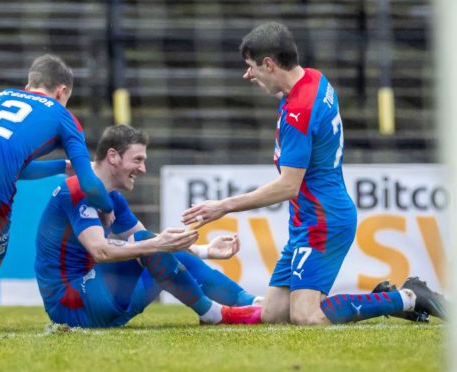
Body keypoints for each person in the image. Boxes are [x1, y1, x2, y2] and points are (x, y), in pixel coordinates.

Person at [181, 22, 446, 325]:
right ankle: (214, 314)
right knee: (273, 314)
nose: (248, 75)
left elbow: (288, 187)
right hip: (307, 218)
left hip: (323, 220)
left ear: (269, 63)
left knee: (306, 316)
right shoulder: (314, 79)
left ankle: (407, 297)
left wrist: (223, 206)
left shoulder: (299, 111)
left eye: (251, 67)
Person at [0, 54, 115, 334]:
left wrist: (60, 167)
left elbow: (12, 165)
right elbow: (89, 182)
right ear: (62, 91)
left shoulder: (1, 96)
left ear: (29, 86)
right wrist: (107, 205)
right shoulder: (63, 116)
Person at [35, 125, 263, 328]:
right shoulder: (76, 191)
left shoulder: (112, 198)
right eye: (138, 160)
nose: (143, 169)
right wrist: (156, 243)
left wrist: (204, 250)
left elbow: (152, 244)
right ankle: (214, 314)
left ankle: (255, 304)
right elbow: (102, 251)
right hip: (72, 306)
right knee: (150, 243)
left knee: (154, 246)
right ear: (113, 156)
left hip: (107, 301)